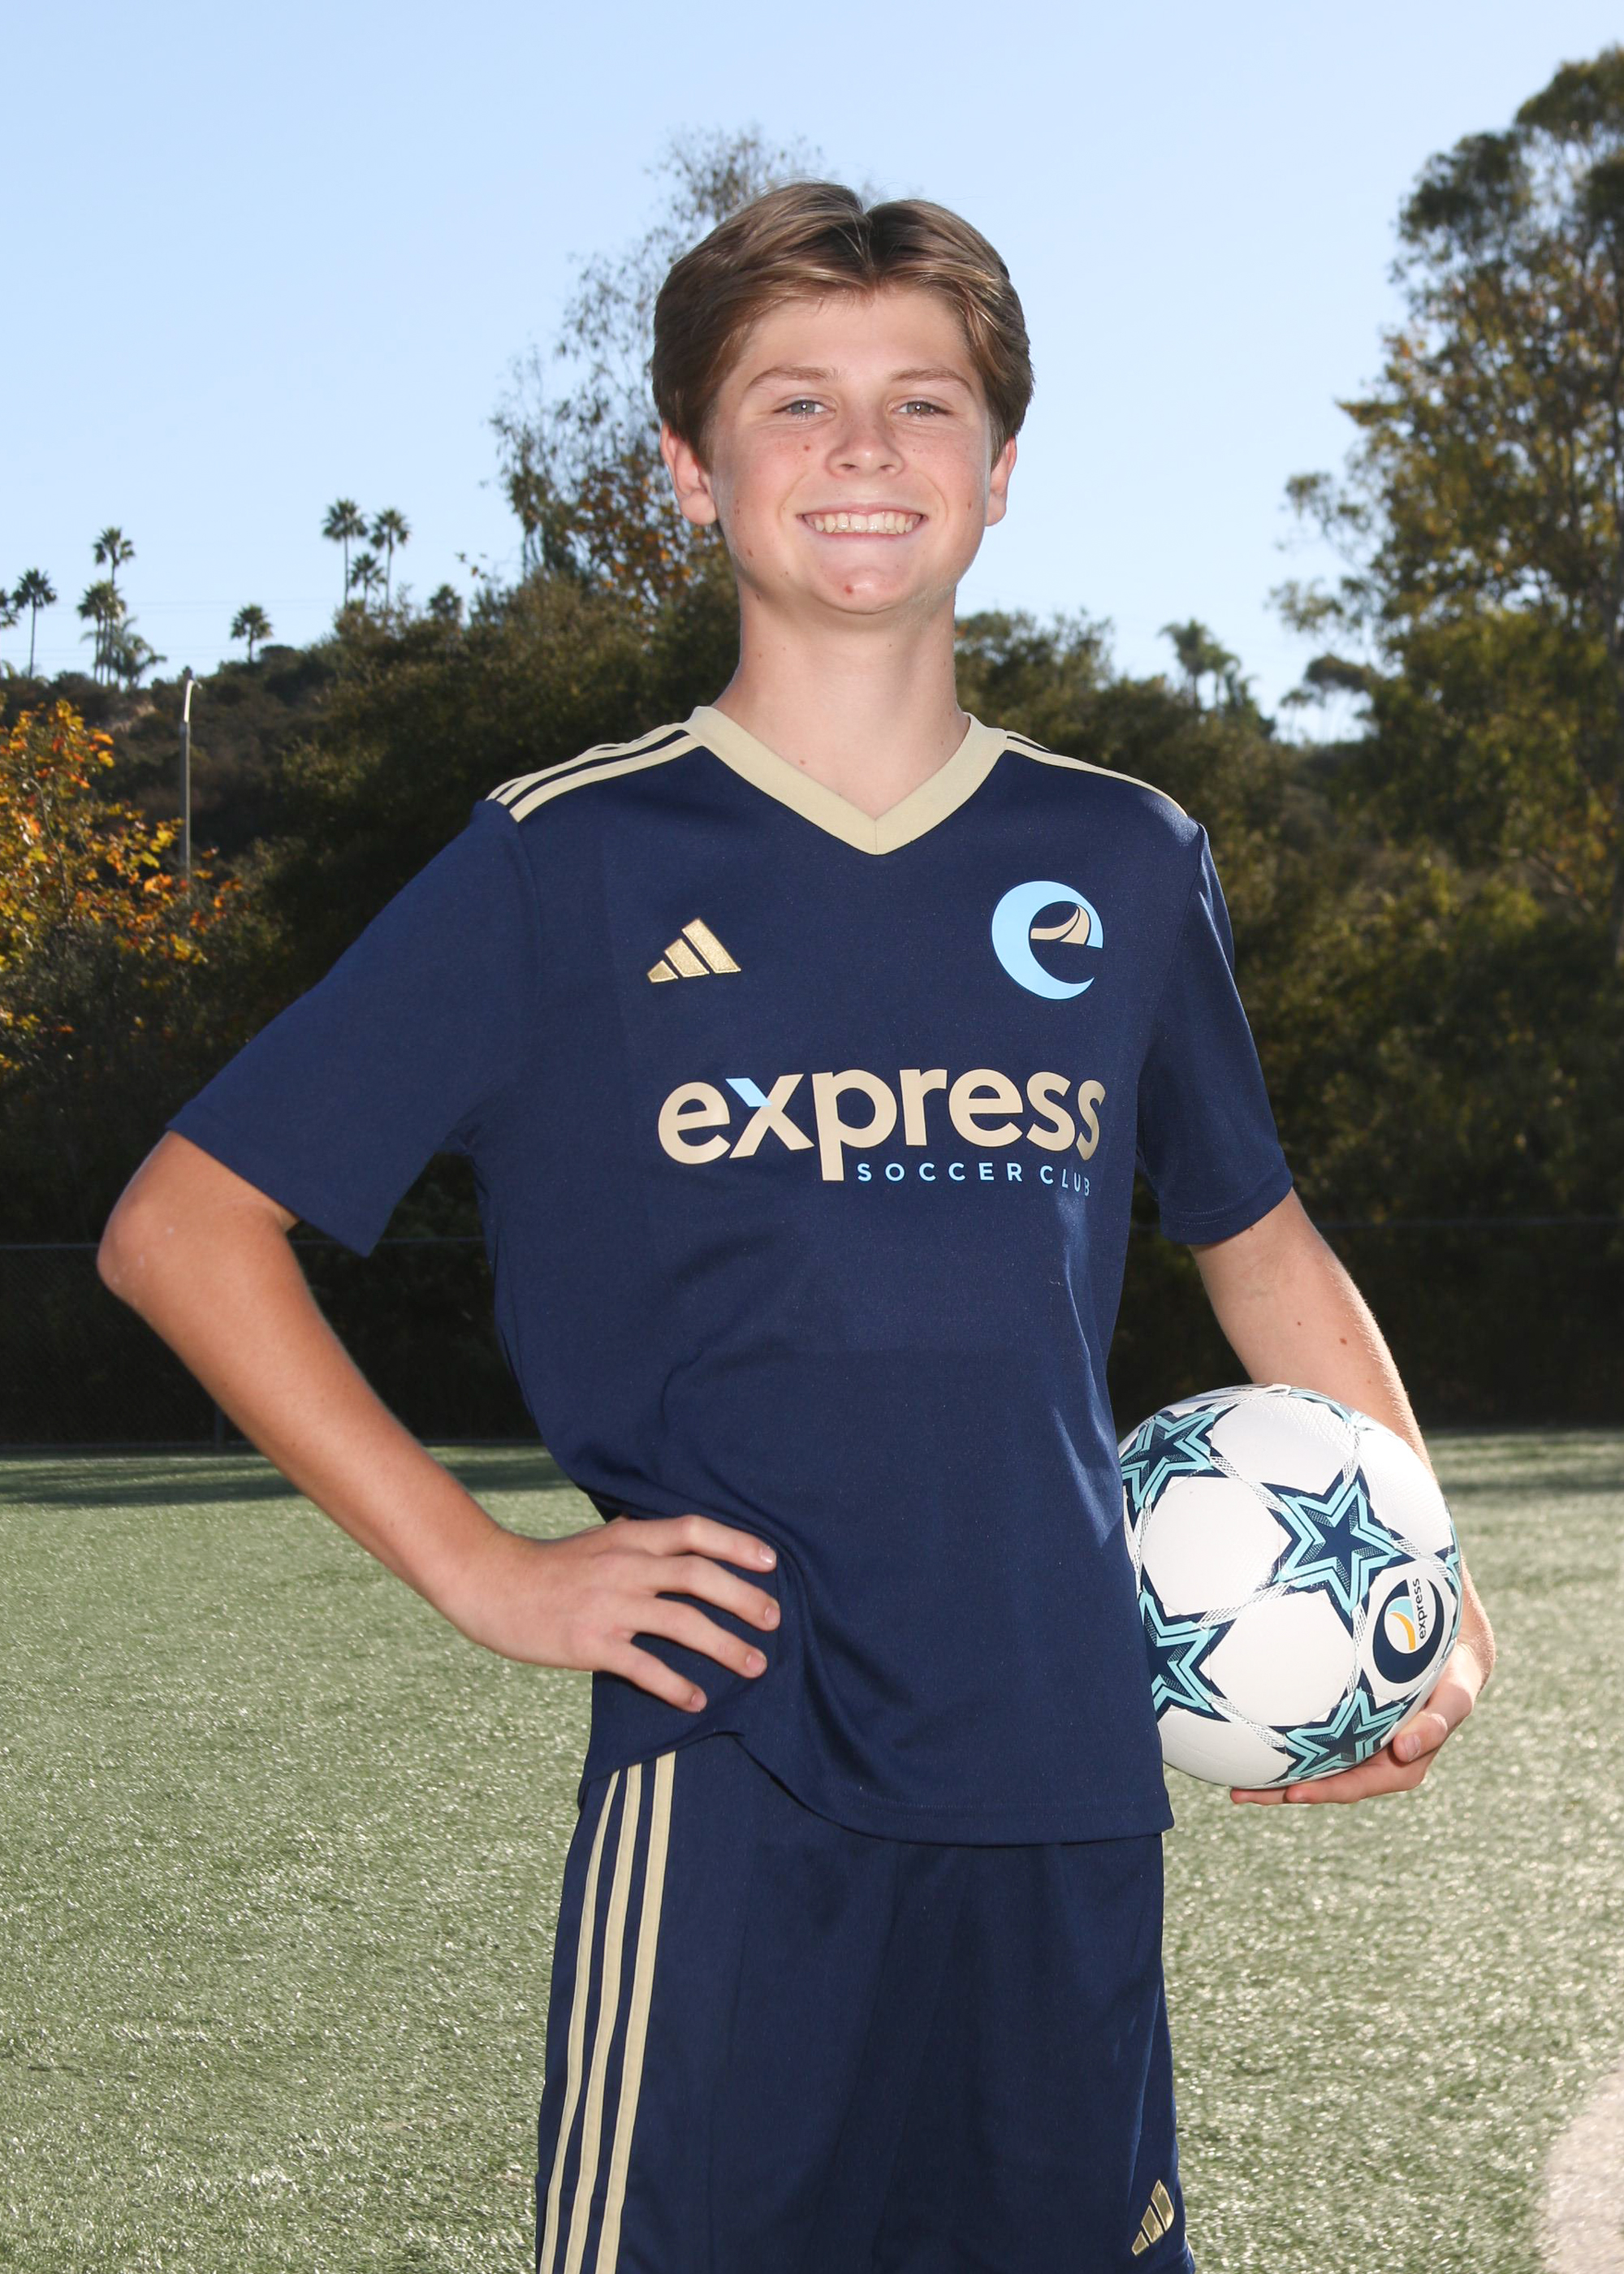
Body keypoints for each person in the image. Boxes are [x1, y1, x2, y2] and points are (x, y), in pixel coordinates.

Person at [99, 183, 1495, 2274]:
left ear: (999, 470)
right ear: (689, 467)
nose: (864, 446)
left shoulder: (1123, 856)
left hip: (1067, 1777)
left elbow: (1258, 1239)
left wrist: (1429, 1599)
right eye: (794, 400)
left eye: (924, 401)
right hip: (739, 1780)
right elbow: (185, 1225)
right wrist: (483, 1565)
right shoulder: (568, 858)